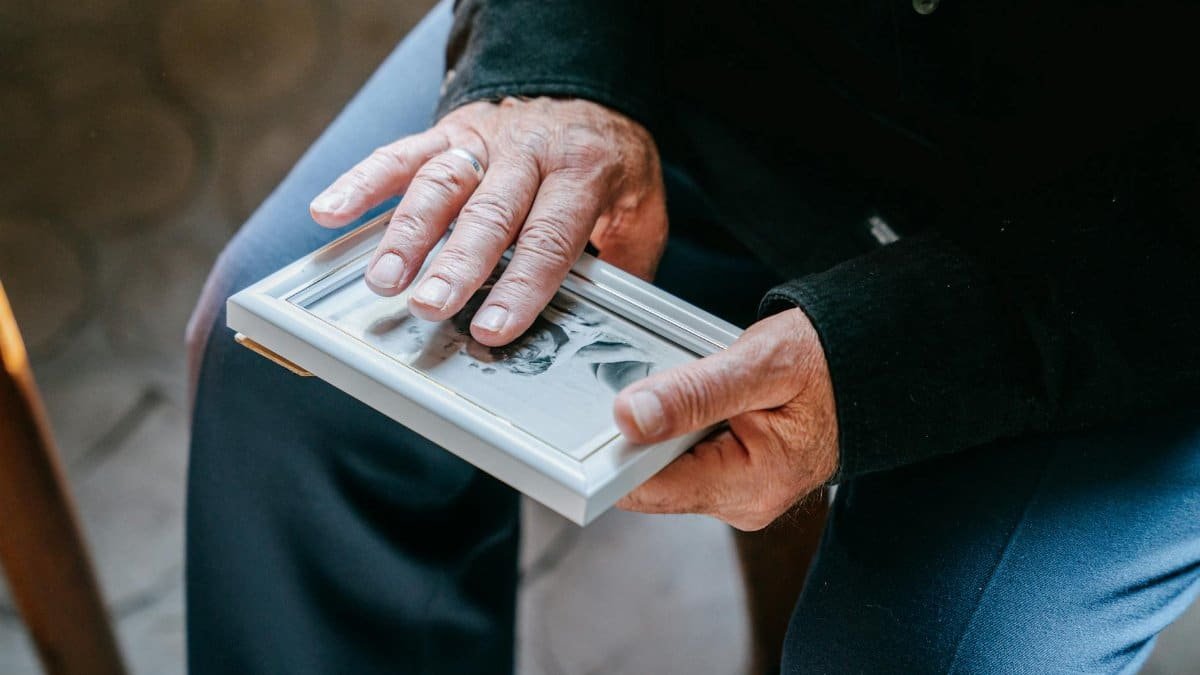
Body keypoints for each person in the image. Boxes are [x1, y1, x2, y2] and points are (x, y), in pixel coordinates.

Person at [186, 1, 1200, 672]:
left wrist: (903, 360)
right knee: (291, 360)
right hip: (725, 53)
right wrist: (550, 61)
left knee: (942, 651)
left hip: (1128, 254)